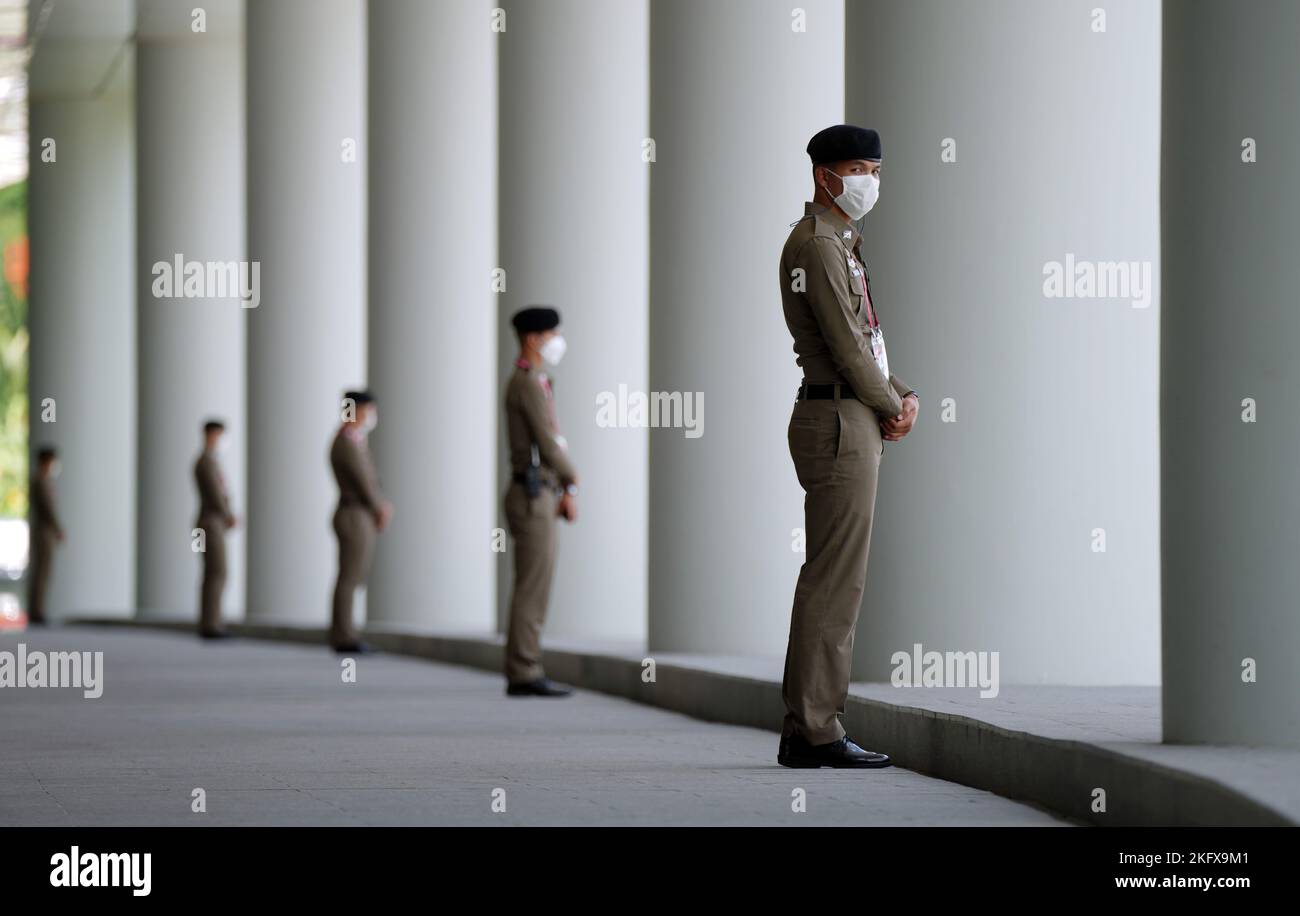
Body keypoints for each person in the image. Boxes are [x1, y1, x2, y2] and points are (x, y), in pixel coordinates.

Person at [776, 124, 920, 768]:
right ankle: (814, 728)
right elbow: (843, 344)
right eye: (860, 169)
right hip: (838, 418)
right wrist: (894, 406)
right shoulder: (818, 246)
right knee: (834, 580)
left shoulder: (839, 243)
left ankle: (812, 724)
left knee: (838, 577)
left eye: (877, 170)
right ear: (823, 175)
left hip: (849, 412)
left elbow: (865, 344)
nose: (871, 182)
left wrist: (900, 392)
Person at [502, 307, 578, 697]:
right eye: (552, 334)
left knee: (535, 584)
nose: (557, 341)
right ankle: (523, 670)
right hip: (533, 495)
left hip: (540, 492)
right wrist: (573, 479)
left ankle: (525, 666)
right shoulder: (528, 383)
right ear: (533, 338)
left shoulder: (536, 380)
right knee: (532, 587)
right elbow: (547, 444)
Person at [328, 390, 391, 654]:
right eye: (368, 410)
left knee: (352, 575)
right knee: (350, 576)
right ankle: (343, 635)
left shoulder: (353, 440)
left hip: (357, 513)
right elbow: (364, 481)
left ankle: (346, 631)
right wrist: (380, 507)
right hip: (354, 514)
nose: (370, 416)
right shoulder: (346, 443)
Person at [194, 419, 236, 639]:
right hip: (210, 524)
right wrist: (229, 515)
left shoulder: (209, 461)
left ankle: (210, 621)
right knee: (217, 571)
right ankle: (211, 624)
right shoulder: (207, 462)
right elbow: (215, 494)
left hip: (204, 524)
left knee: (211, 572)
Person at [27, 446, 64, 625]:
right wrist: (58, 528)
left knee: (42, 572)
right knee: (42, 572)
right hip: (43, 533)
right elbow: (48, 509)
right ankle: (36, 611)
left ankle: (37, 609)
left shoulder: (42, 480)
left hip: (43, 531)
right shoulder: (40, 481)